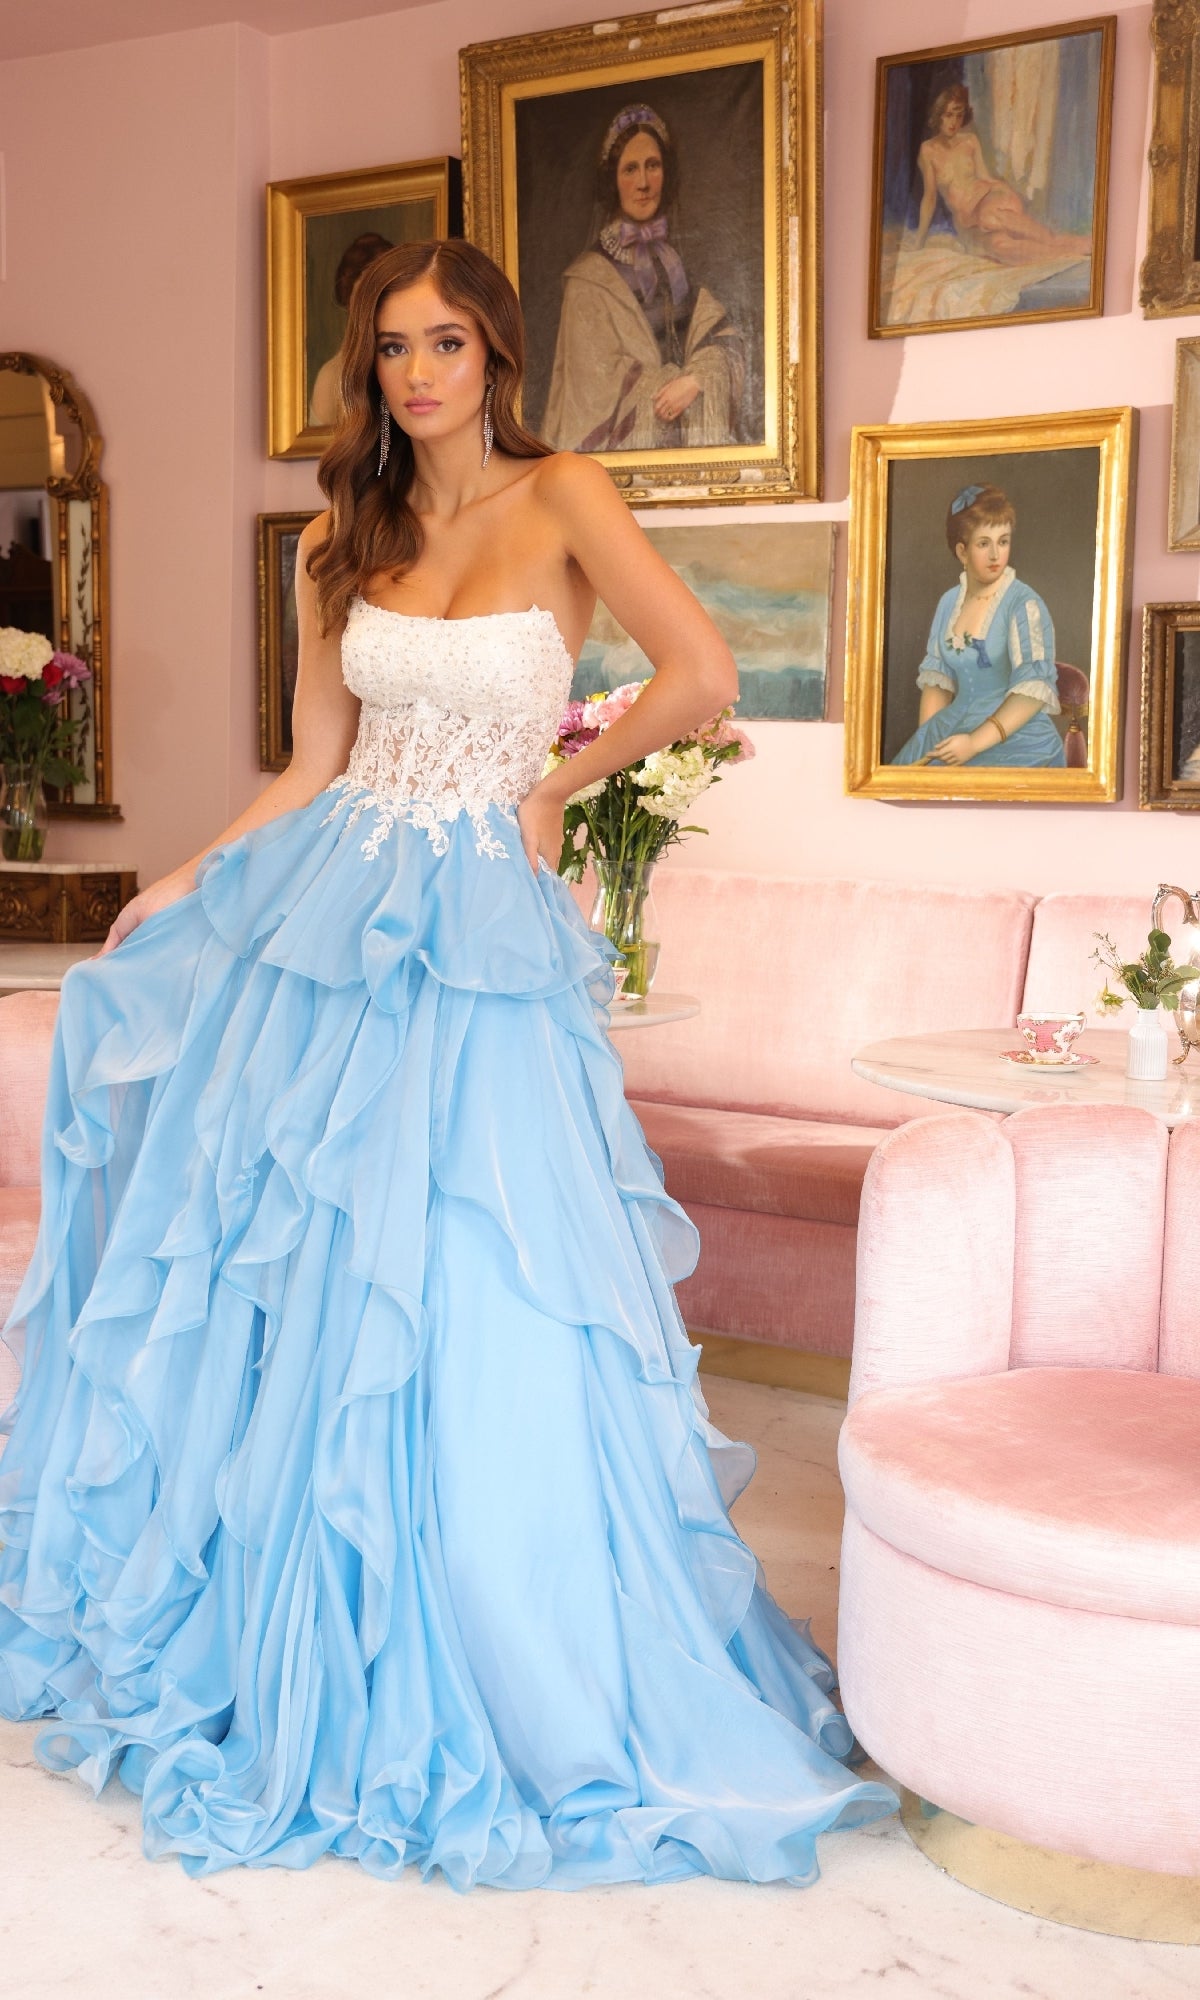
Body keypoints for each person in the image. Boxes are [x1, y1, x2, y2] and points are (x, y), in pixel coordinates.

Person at [0, 239, 896, 1886]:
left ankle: (504, 1640)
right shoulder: (345, 542)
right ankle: (312, 1621)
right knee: (310, 1267)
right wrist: (185, 881)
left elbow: (701, 674)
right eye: (393, 348)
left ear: (497, 351)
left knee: (481, 1279)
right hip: (332, 911)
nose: (419, 373)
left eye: (448, 343)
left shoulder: (568, 496)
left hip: (478, 937)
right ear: (372, 370)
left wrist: (558, 779)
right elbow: (309, 765)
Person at [542, 104, 745, 452]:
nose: (643, 183)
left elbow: (724, 338)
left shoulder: (677, 264)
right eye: (630, 169)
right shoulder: (587, 281)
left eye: (653, 166)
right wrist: (673, 386)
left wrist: (697, 380)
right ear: (612, 180)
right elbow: (592, 392)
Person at [892, 483, 1068, 769]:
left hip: (1013, 736)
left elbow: (1031, 691)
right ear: (962, 551)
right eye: (984, 543)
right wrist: (927, 739)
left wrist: (973, 743)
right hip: (954, 728)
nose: (996, 555)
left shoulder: (1024, 604)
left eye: (1003, 541)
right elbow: (939, 680)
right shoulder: (949, 602)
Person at [913, 85, 1091, 270]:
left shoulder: (970, 141)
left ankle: (1061, 240)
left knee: (988, 217)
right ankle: (1069, 253)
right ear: (938, 115)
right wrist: (919, 241)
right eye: (949, 115)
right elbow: (930, 198)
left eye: (959, 116)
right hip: (968, 222)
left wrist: (1002, 189)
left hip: (990, 200)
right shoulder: (928, 151)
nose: (954, 122)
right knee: (1001, 246)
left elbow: (984, 177)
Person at [309, 230, 394, 427]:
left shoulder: (409, 365)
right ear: (350, 299)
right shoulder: (332, 375)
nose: (374, 308)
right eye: (366, 296)